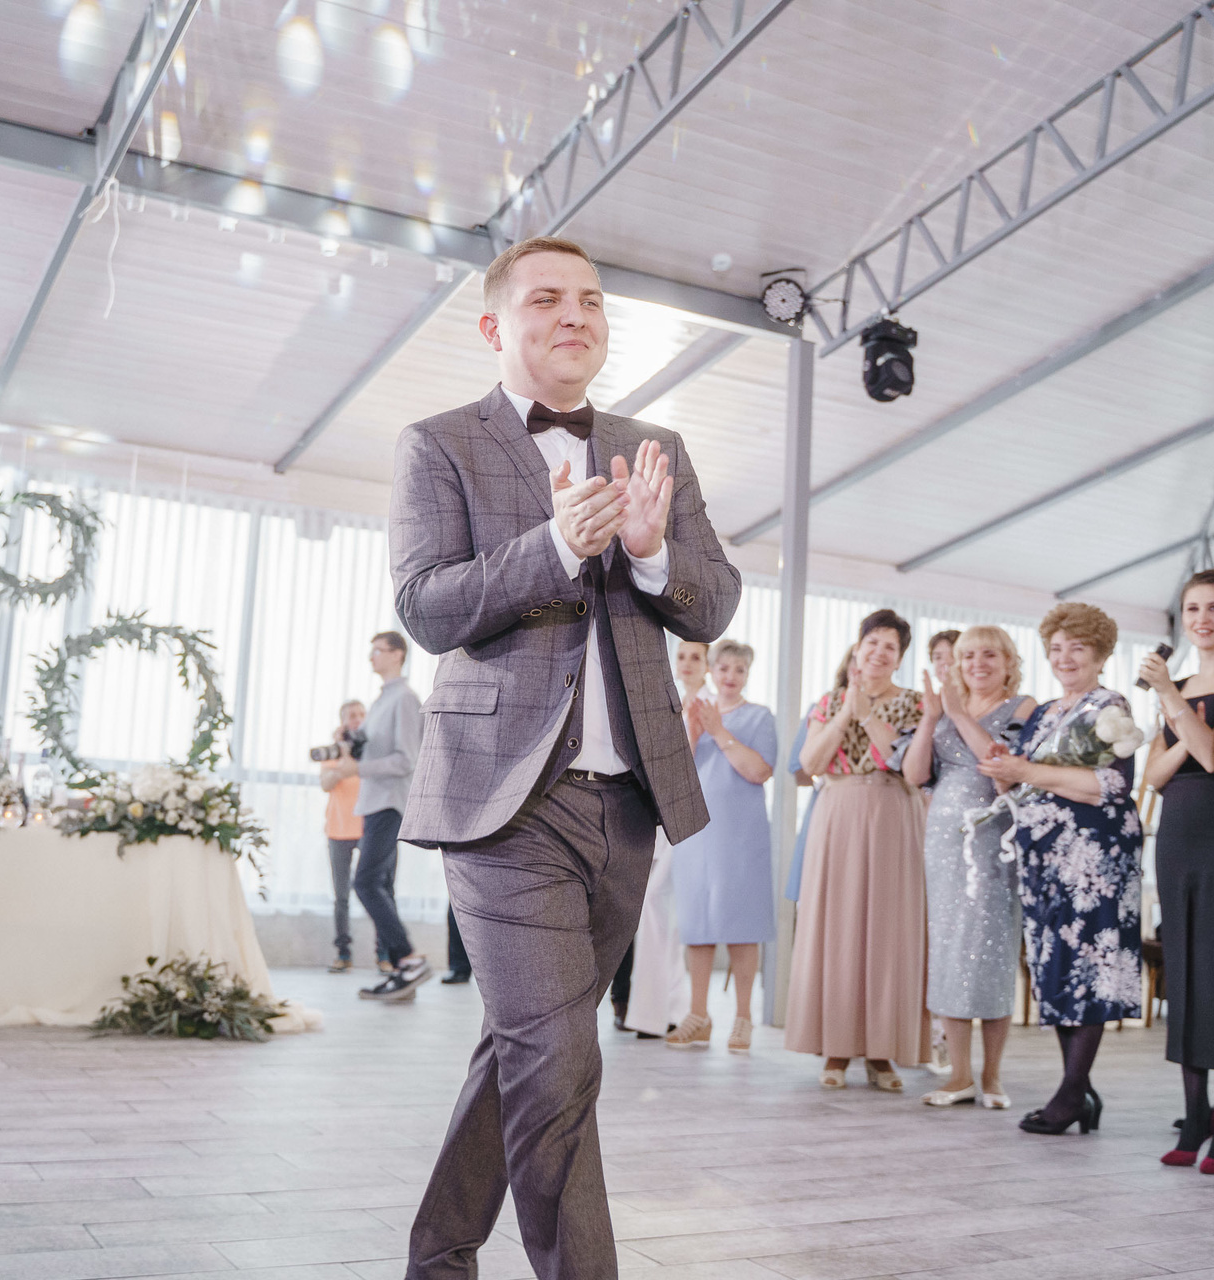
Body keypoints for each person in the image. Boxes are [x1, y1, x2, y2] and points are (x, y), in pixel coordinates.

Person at [389, 234, 740, 1280]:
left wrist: (649, 550)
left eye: (589, 299)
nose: (574, 314)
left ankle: (438, 1255)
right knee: (559, 1056)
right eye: (545, 299)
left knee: (528, 1054)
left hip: (627, 804)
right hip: (503, 802)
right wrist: (551, 547)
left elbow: (714, 602)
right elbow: (425, 607)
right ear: (495, 326)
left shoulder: (654, 444)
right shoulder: (439, 444)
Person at [979, 602, 1142, 1136]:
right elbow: (1022, 780)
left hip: (1092, 857)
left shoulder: (1108, 706)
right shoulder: (1045, 712)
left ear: (1100, 653)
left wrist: (1026, 771)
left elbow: (1110, 785)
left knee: (1088, 967)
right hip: (1043, 855)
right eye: (1056, 648)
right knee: (1056, 967)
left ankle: (1071, 1093)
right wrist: (1005, 769)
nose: (1065, 657)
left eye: (1077, 647)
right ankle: (1079, 1089)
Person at [1139, 571, 1214, 1173]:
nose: (1202, 619)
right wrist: (1185, 718)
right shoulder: (1178, 686)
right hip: (1176, 839)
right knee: (1181, 972)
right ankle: (1193, 1112)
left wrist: (1181, 716)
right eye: (1192, 609)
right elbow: (1153, 777)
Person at [786, 609, 929, 1091]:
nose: (879, 652)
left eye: (890, 646)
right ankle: (836, 1048)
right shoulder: (829, 701)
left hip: (893, 813)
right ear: (858, 647)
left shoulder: (913, 704)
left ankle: (882, 1053)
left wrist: (867, 714)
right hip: (838, 812)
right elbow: (810, 762)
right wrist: (848, 709)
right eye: (873, 643)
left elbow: (905, 762)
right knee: (837, 927)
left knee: (888, 931)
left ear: (900, 657)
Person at [906, 624, 1035, 1109]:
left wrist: (958, 714)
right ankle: (958, 1075)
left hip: (994, 839)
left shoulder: (1023, 707)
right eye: (968, 656)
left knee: (993, 953)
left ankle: (993, 1076)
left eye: (989, 655)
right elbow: (915, 774)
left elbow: (1001, 767)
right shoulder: (943, 710)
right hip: (943, 838)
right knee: (949, 951)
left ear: (1008, 662)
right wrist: (932, 717)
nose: (977, 664)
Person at [666, 639, 776, 1053]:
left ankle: (743, 1018)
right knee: (697, 923)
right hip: (697, 834)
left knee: (742, 925)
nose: (731, 676)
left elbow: (759, 771)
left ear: (747, 674)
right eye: (724, 668)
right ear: (711, 671)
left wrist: (718, 731)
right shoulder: (694, 711)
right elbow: (676, 774)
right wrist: (695, 731)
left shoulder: (759, 716)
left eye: (739, 670)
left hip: (741, 836)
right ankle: (698, 1016)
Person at [324, 630, 428, 1000]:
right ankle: (403, 972)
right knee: (376, 884)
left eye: (378, 651)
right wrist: (346, 744)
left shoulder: (405, 699)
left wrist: (358, 769)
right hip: (372, 803)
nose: (372, 657)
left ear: (397, 654)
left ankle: (409, 958)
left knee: (366, 883)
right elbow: (362, 744)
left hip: (389, 802)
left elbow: (406, 760)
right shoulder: (382, 700)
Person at [623, 640, 709, 1038]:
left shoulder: (711, 707)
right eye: (682, 656)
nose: (687, 663)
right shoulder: (664, 703)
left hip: (694, 821)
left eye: (696, 657)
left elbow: (689, 765)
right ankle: (655, 1013)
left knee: (665, 908)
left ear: (708, 664)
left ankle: (671, 1009)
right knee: (655, 911)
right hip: (658, 817)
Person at [782, 648, 856, 906]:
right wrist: (826, 779)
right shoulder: (822, 709)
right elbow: (799, 770)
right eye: (855, 664)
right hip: (828, 805)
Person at [318, 699, 368, 974]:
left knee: (381, 891)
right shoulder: (333, 752)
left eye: (361, 714)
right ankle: (343, 953)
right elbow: (326, 784)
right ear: (343, 722)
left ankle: (385, 954)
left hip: (370, 828)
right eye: (351, 715)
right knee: (342, 896)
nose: (357, 719)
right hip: (338, 830)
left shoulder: (372, 749)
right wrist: (343, 754)